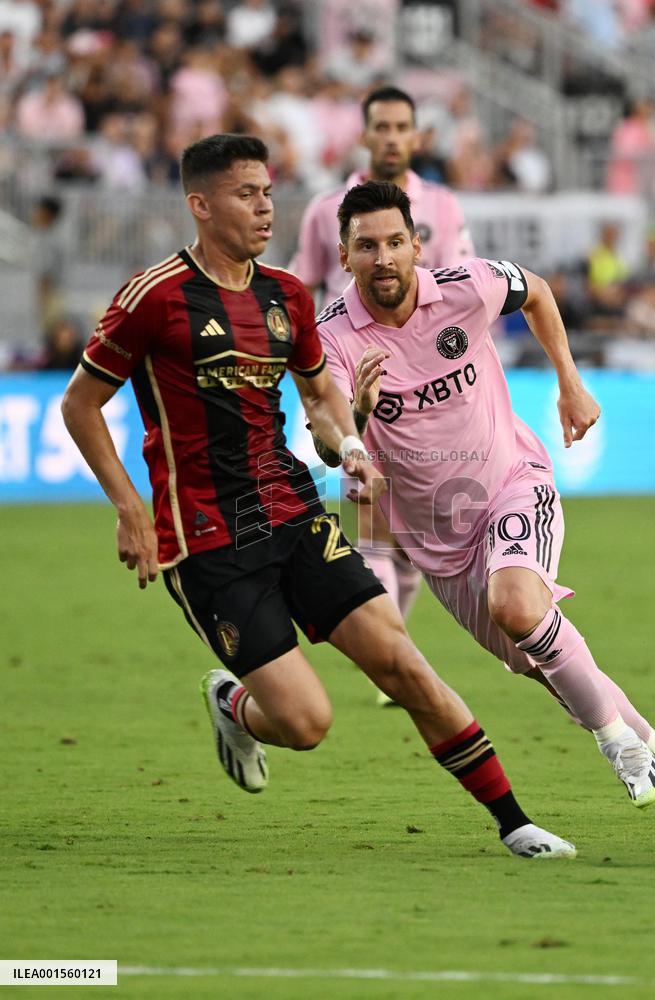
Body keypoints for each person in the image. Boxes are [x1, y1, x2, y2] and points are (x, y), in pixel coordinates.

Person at [61, 133, 576, 861]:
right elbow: (79, 405)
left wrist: (353, 446)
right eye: (246, 194)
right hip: (208, 539)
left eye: (268, 192)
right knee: (306, 724)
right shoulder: (154, 298)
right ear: (200, 205)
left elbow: (320, 401)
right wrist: (128, 508)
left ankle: (514, 823)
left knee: (402, 663)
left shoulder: (286, 296)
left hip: (291, 510)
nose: (264, 208)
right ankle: (234, 703)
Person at [313, 180, 655, 827]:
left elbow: (537, 291)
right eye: (367, 246)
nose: (382, 258)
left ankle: (617, 745)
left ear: (416, 245)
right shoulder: (331, 335)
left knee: (519, 607)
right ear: (344, 255)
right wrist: (357, 417)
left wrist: (568, 382)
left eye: (394, 242)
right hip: (437, 542)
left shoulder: (467, 287)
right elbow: (327, 441)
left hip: (510, 483)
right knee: (548, 667)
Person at [290, 86, 474, 695]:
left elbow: (459, 287)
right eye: (382, 127)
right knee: (368, 513)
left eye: (402, 127)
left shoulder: (442, 206)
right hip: (352, 373)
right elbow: (302, 287)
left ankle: (395, 652)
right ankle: (396, 662)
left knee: (416, 536)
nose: (392, 137)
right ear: (365, 135)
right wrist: (310, 368)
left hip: (430, 385)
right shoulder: (324, 210)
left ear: (417, 136)